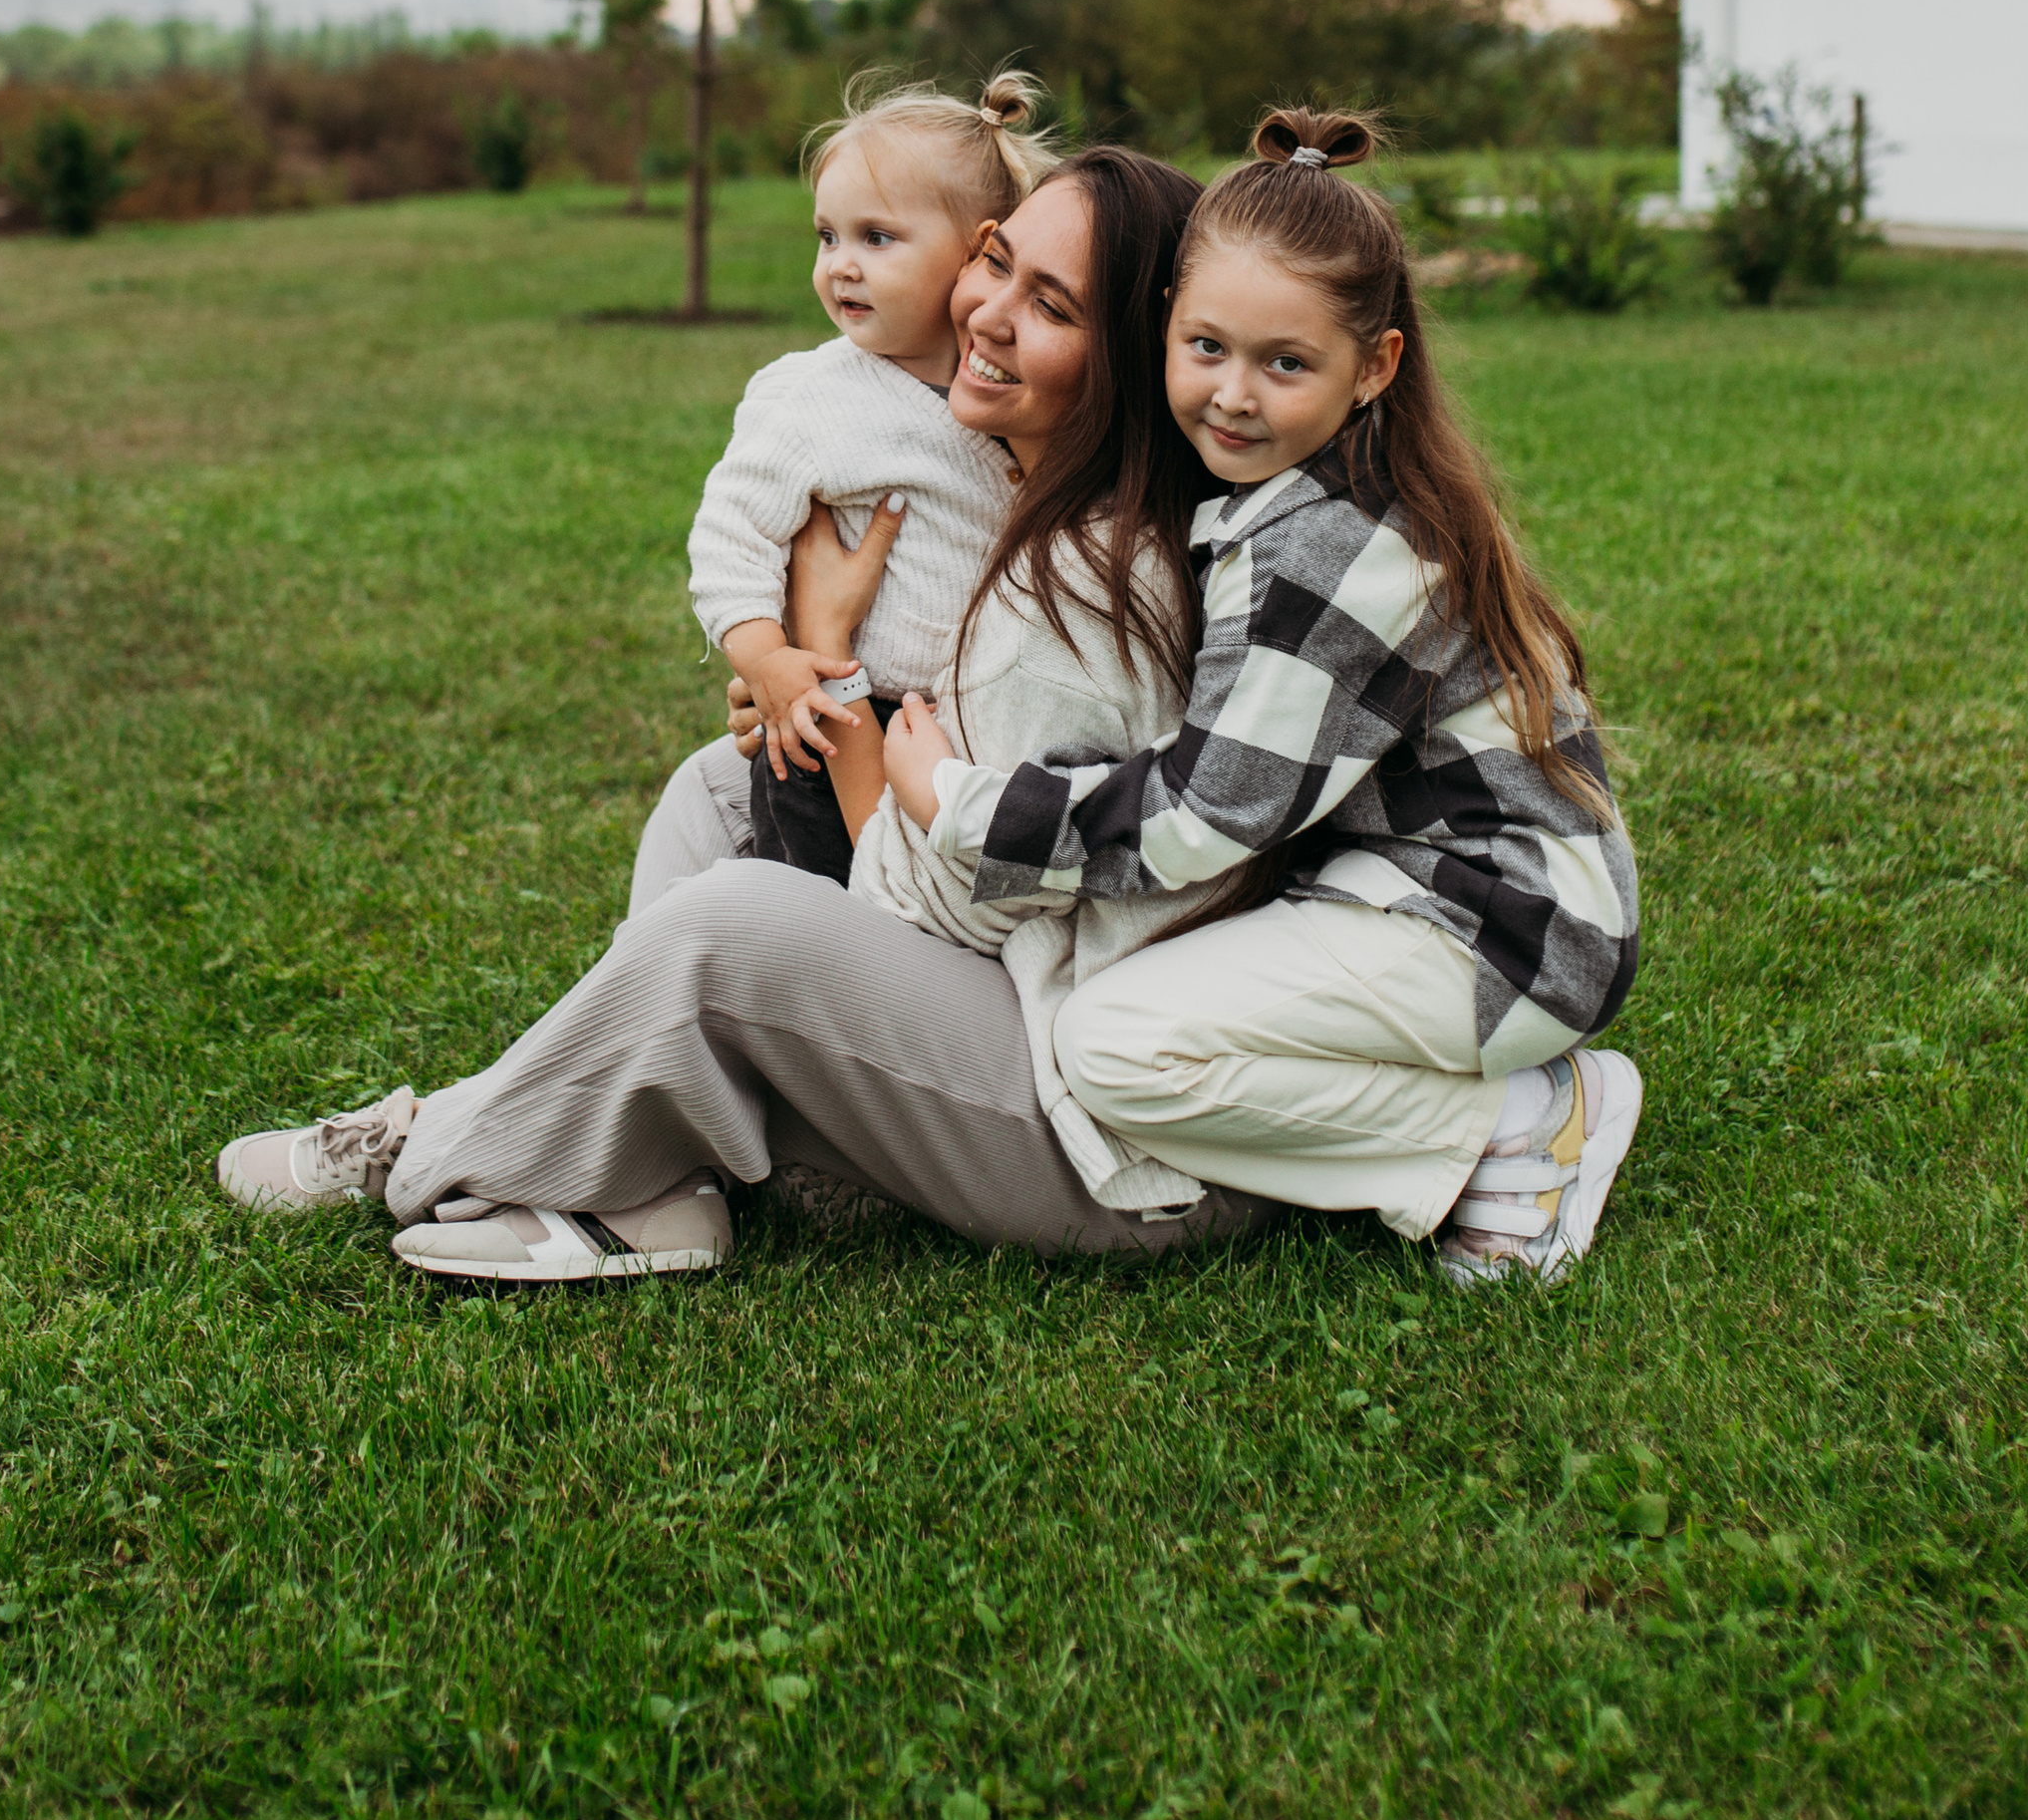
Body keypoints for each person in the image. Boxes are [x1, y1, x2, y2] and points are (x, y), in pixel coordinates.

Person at [214, 149, 1276, 1287]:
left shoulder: (1079, 597)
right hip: (1020, 1003)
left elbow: (946, 909)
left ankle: (430, 1150)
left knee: (736, 923)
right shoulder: (1030, 505)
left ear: (1130, 360)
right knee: (720, 785)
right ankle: (661, 1184)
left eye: (1052, 306)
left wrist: (836, 682)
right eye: (995, 262)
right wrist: (802, 687)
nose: (987, 313)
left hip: (1092, 1135)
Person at [882, 107, 1644, 1286]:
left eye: (1285, 364)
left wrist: (963, 807)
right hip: (1402, 894)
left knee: (1116, 1045)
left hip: (1499, 930)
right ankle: (1483, 1109)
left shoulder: (1334, 550)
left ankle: (1519, 1125)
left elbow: (1208, 814)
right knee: (1142, 1016)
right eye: (1206, 348)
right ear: (1163, 330)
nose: (1233, 396)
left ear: (1374, 366)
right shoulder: (1288, 494)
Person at [688, 74, 1051, 883]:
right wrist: (767, 663)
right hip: (833, 719)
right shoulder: (811, 397)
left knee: (933, 891)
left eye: (876, 238)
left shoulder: (1003, 386)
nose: (840, 266)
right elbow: (729, 539)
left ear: (979, 250)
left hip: (961, 725)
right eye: (827, 237)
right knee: (815, 903)